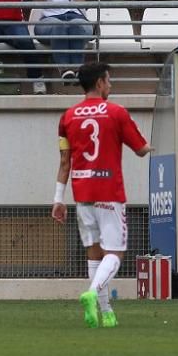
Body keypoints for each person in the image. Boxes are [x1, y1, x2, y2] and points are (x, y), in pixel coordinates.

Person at [51, 62, 152, 329]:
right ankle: (93, 294)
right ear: (99, 83)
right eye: (108, 81)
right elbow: (140, 149)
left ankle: (105, 314)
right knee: (115, 254)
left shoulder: (68, 116)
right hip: (109, 192)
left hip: (81, 192)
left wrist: (58, 199)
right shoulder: (116, 112)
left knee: (94, 255)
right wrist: (152, 146)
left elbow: (64, 161)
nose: (110, 86)